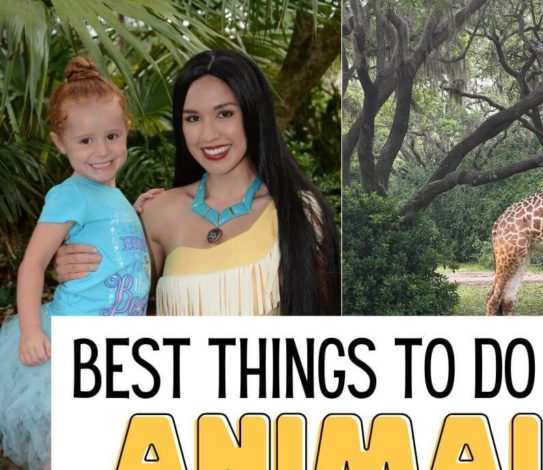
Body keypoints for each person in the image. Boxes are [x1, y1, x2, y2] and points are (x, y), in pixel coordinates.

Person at [56, 50, 339, 316]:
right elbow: (114, 307)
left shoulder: (298, 211)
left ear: (253, 113)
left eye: (224, 114)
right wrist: (77, 263)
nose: (208, 134)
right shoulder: (157, 212)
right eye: (193, 118)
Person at [0, 56, 150, 470]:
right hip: (73, 343)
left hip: (113, 350)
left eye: (112, 136)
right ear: (59, 143)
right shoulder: (68, 194)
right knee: (65, 454)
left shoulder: (111, 192)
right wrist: (30, 331)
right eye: (85, 140)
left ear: (126, 130)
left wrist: (137, 211)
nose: (101, 150)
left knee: (101, 453)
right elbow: (32, 265)